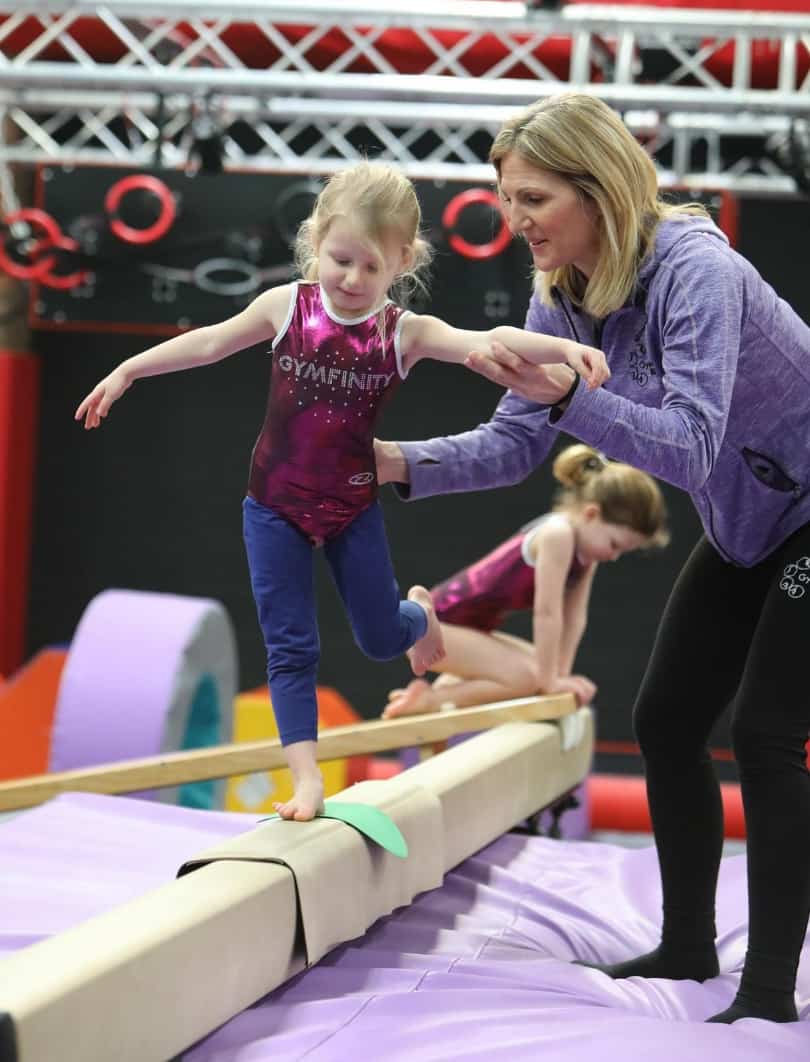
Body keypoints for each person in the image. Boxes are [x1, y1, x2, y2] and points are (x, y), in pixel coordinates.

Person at [375, 93, 810, 1024]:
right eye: (505, 196)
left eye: (532, 197)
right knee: (665, 720)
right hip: (751, 525)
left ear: (598, 189)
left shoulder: (695, 270)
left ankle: (770, 987)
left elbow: (688, 448)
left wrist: (571, 397)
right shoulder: (563, 293)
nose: (513, 217)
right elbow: (513, 444)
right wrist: (390, 464)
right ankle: (691, 945)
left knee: (767, 734)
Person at [74, 159, 608, 824]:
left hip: (351, 507)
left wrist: (563, 351)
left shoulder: (403, 333)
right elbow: (210, 343)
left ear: (402, 263)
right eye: (341, 260)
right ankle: (305, 781)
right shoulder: (285, 307)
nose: (353, 280)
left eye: (372, 269)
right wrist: (128, 370)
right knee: (291, 645)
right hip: (272, 508)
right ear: (316, 242)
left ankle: (417, 614)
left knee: (384, 640)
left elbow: (488, 342)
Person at [382, 443, 668, 720]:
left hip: (465, 629)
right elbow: (548, 614)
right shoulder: (558, 534)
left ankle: (447, 687)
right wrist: (549, 682)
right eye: (615, 544)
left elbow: (574, 618)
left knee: (540, 665)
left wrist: (560, 677)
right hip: (433, 627)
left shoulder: (586, 553)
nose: (614, 556)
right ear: (591, 514)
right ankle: (430, 700)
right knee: (530, 676)